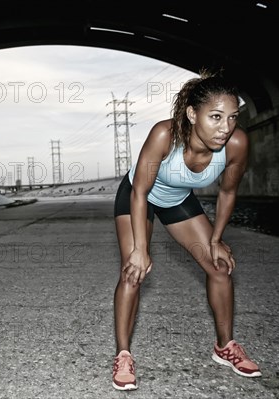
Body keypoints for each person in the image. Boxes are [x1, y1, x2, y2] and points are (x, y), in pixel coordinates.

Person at [111, 70, 261, 391]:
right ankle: (123, 354)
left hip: (177, 200)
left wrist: (217, 239)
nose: (225, 127)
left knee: (220, 268)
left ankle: (225, 346)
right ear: (193, 114)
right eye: (216, 117)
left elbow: (227, 193)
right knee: (132, 271)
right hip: (138, 196)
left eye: (233, 117)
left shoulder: (236, 143)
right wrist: (140, 249)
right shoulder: (165, 135)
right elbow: (140, 192)